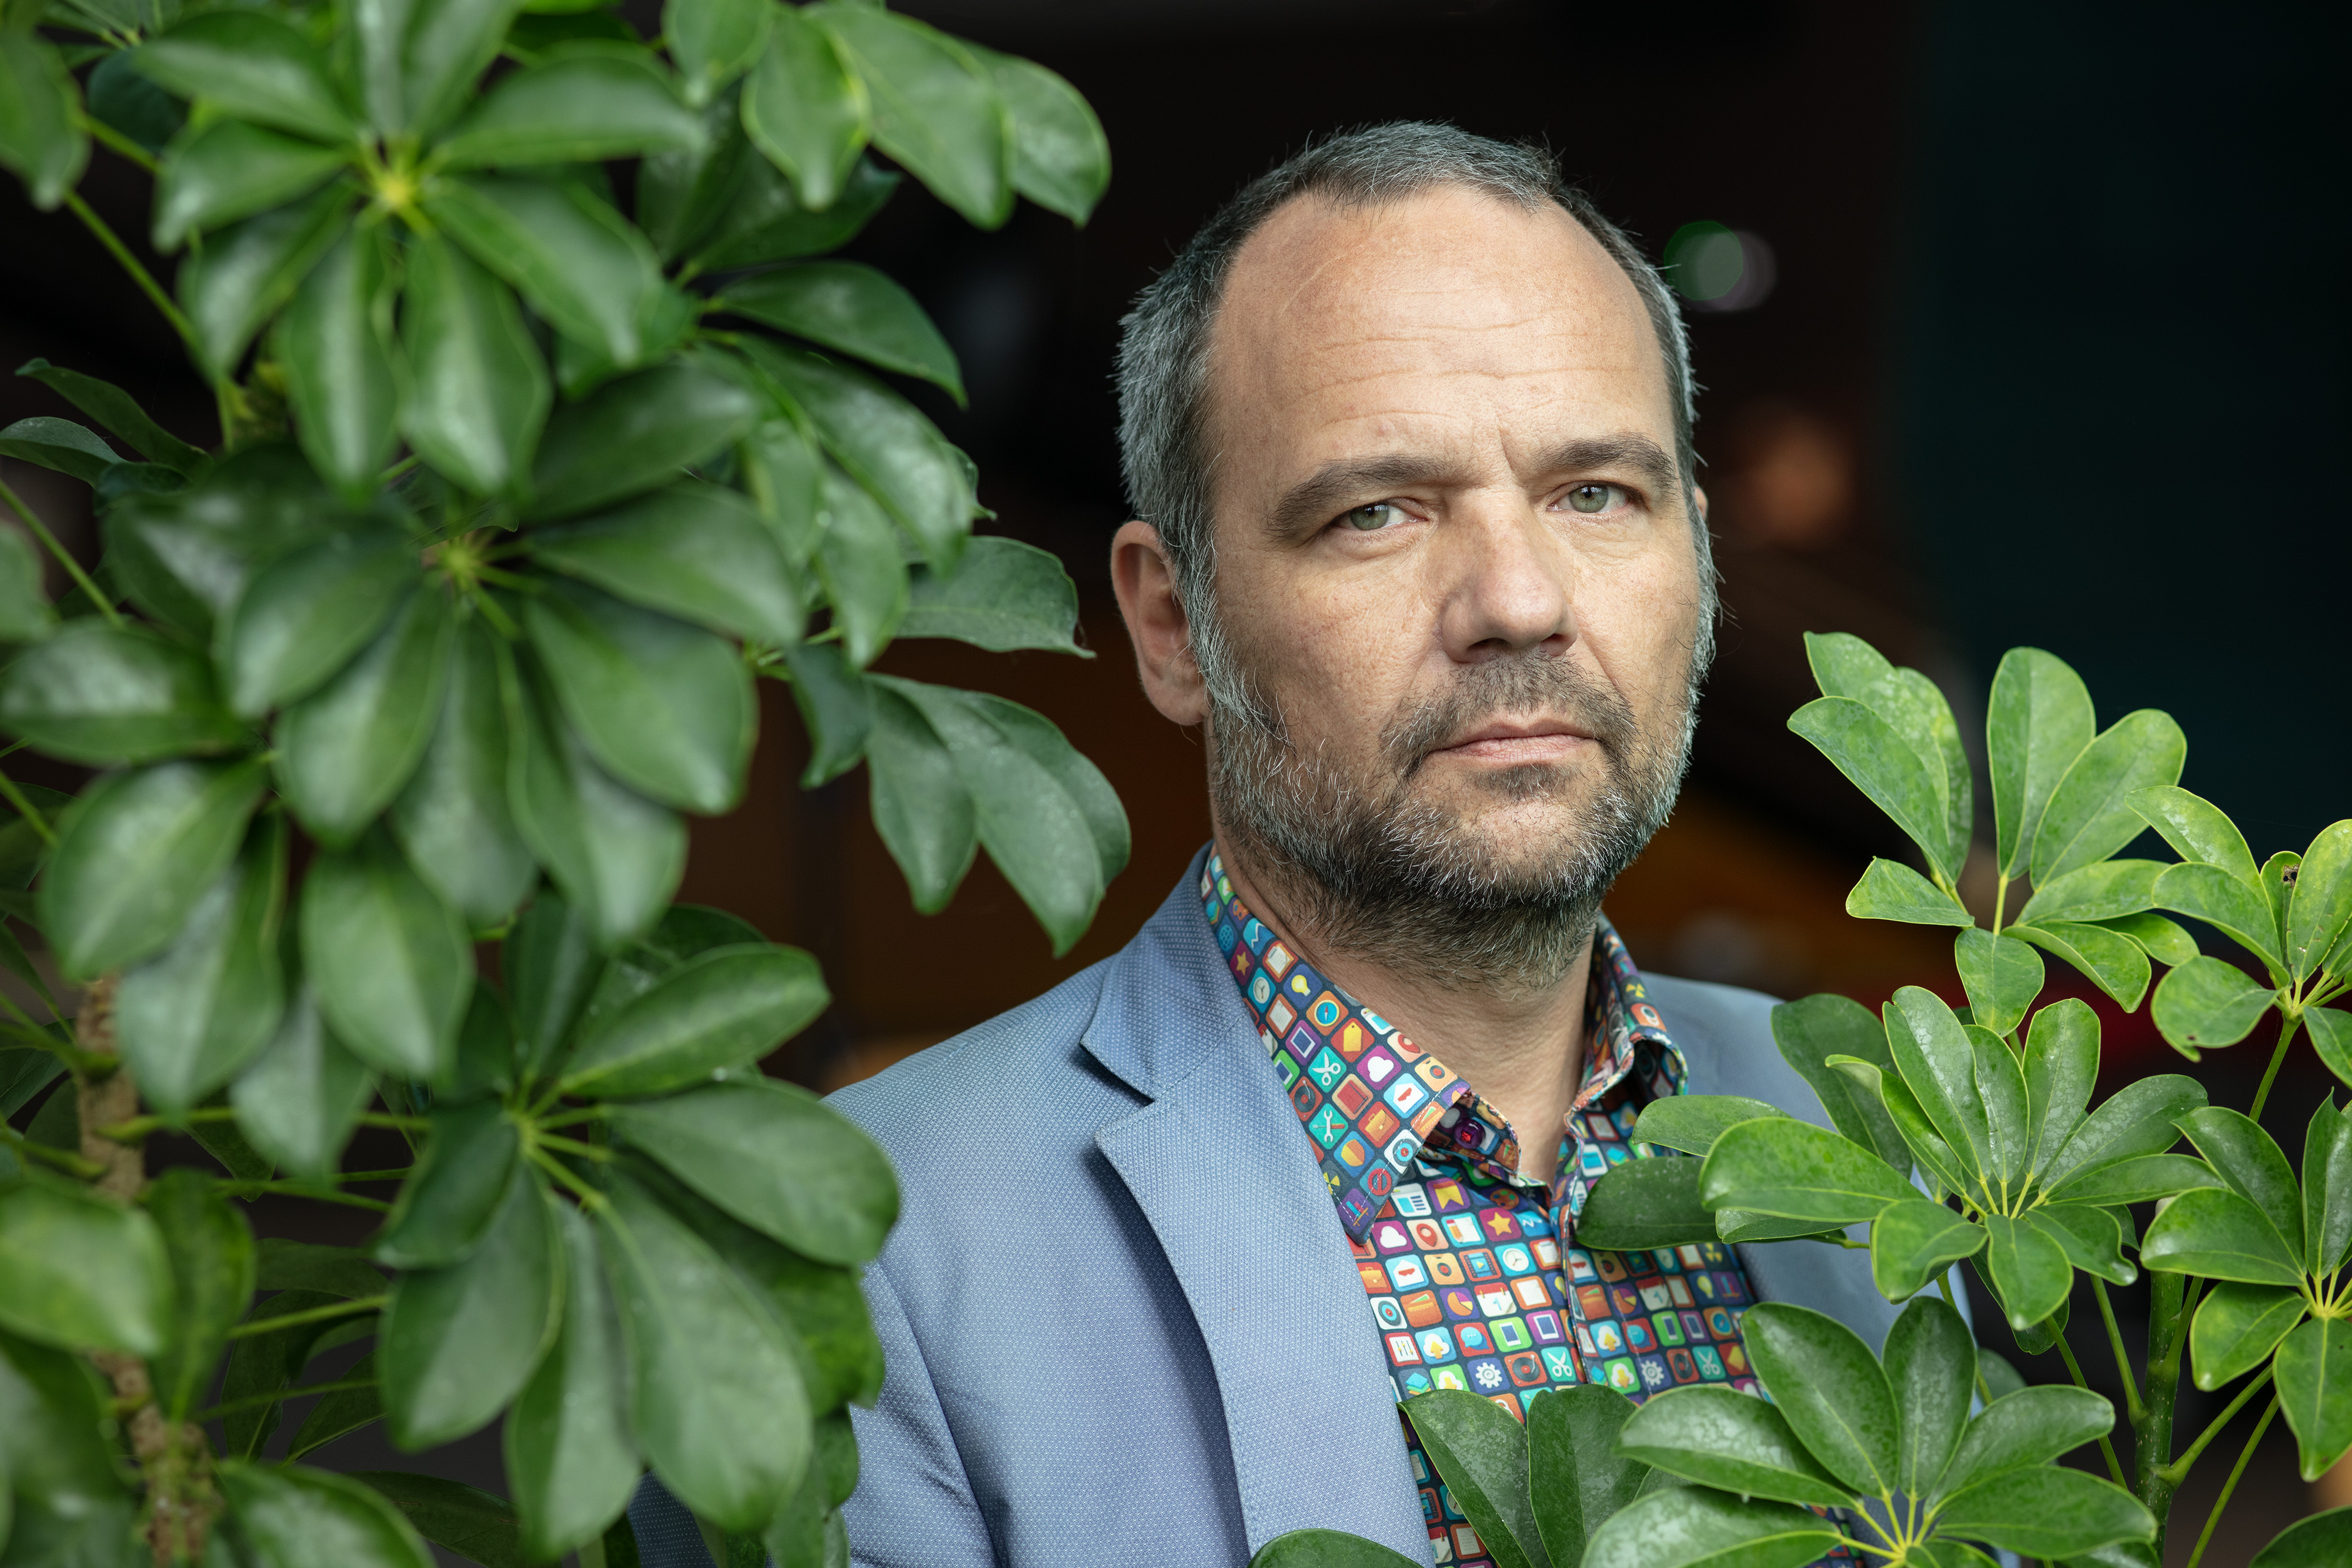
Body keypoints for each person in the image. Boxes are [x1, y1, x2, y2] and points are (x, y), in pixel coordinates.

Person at [634, 121, 1906, 1568]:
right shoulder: (856, 1250)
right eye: (1376, 511)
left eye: (1592, 494)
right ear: (1171, 624)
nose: (1517, 598)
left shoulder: (1868, 1112)